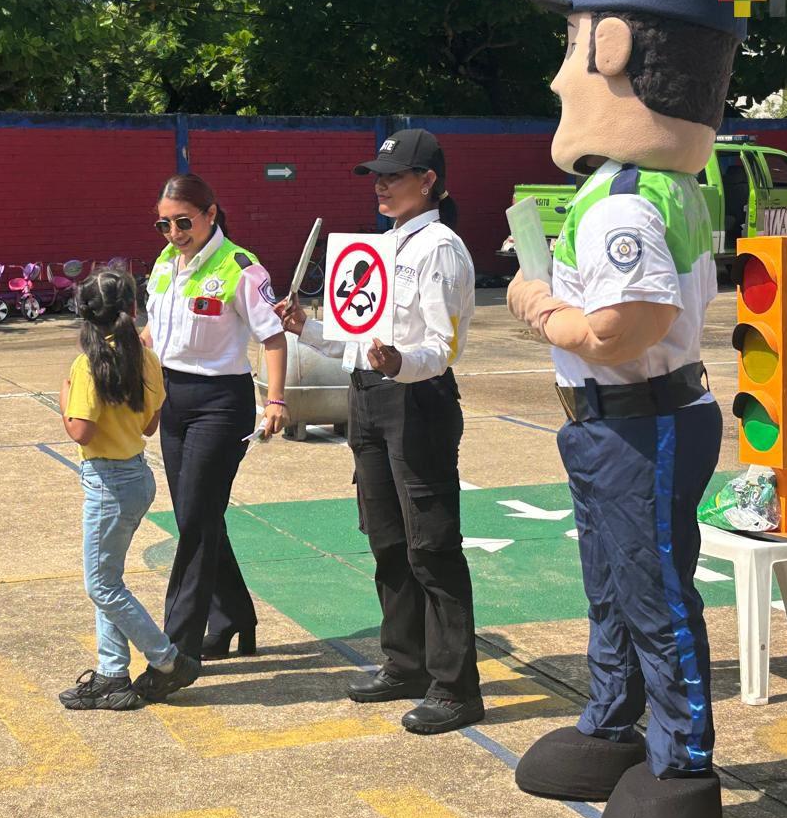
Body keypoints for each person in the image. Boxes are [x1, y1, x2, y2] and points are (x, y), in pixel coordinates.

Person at [507, 0, 744, 818]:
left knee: (653, 595)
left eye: (572, 45)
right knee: (612, 586)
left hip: (639, 421)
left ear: (612, 48)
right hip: (623, 423)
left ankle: (682, 762)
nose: (560, 74)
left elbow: (621, 332)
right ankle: (613, 723)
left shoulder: (624, 204)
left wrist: (535, 303)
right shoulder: (659, 185)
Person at [276, 128, 484, 735]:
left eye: (395, 175)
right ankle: (406, 662)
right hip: (368, 394)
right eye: (378, 175)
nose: (382, 185)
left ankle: (456, 686)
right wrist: (309, 329)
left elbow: (441, 348)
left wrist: (401, 364)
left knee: (432, 545)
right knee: (387, 537)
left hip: (417, 398)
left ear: (430, 182)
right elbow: (359, 335)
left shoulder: (439, 247)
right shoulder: (383, 244)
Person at [134, 174, 289, 698]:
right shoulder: (163, 264)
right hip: (172, 398)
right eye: (164, 223)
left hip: (220, 404)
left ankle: (176, 652)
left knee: (196, 523)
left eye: (183, 221)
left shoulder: (241, 268)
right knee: (192, 517)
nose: (174, 232)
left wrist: (276, 400)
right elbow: (155, 331)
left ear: (210, 214)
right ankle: (234, 615)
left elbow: (272, 336)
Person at [58, 267, 200, 711]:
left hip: (107, 481)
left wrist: (64, 397)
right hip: (137, 475)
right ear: (132, 310)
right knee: (110, 578)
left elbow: (80, 430)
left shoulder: (87, 366)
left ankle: (166, 660)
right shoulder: (146, 358)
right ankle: (112, 674)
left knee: (101, 585)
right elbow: (151, 422)